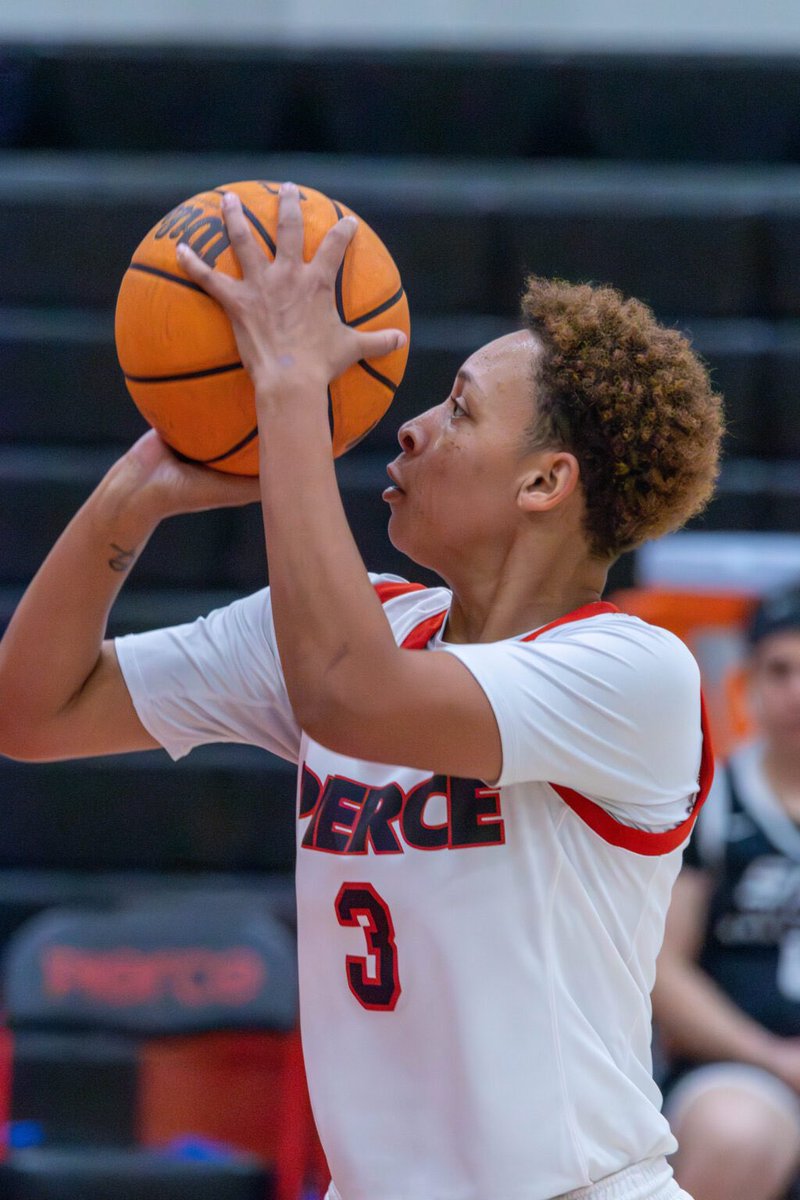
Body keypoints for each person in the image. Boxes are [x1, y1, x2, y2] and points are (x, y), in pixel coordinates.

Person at [0, 183, 723, 1200]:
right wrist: (133, 496)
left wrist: (291, 390)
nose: (410, 427)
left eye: (459, 409)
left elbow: (350, 694)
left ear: (543, 484)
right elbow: (32, 712)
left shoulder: (631, 674)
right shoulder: (358, 626)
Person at [653, 586, 800, 1200]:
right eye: (780, 671)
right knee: (738, 1134)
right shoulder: (709, 801)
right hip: (738, 1070)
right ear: (748, 683)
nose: (797, 692)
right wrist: (773, 1057)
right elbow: (662, 972)